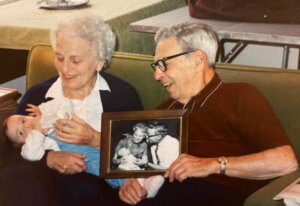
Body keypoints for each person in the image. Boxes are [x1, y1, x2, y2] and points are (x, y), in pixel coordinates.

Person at [118, 22, 299, 205]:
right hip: (166, 194)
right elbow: (141, 165)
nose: (157, 75)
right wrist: (131, 184)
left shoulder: (241, 96)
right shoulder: (163, 111)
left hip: (218, 193)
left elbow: (285, 160)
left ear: (198, 59)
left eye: (164, 64)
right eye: (155, 66)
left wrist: (213, 165)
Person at [0, 14, 143, 206]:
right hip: (45, 186)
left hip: (101, 189)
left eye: (75, 60)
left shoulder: (122, 96)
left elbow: (142, 151)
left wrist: (95, 138)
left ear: (99, 61)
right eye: (59, 57)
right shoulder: (37, 95)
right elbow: (10, 151)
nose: (65, 68)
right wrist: (48, 158)